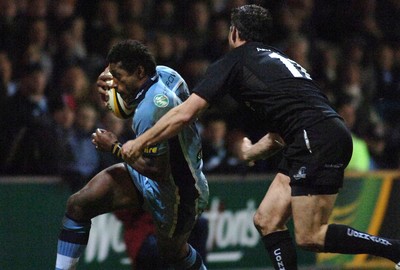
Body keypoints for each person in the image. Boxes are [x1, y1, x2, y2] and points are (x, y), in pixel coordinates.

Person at [102, 5, 400, 270]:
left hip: (314, 138)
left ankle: (393, 249)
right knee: (267, 220)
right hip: (316, 134)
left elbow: (184, 114)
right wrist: (253, 151)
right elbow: (285, 127)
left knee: (311, 235)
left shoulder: (234, 62)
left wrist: (138, 142)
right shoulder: (279, 61)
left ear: (234, 33)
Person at [55, 40, 208, 270]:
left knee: (172, 253)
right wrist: (111, 96)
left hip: (178, 191)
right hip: (153, 174)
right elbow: (135, 104)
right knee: (79, 204)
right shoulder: (165, 75)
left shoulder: (151, 111)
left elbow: (156, 169)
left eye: (118, 76)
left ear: (138, 71)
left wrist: (115, 147)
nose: (114, 81)